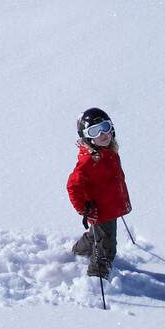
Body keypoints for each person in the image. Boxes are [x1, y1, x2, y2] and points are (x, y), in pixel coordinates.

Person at [66, 108, 132, 278]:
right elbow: (73, 186)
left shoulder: (109, 150)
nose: (103, 133)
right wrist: (85, 208)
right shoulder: (89, 161)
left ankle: (79, 251)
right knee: (106, 247)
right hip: (101, 210)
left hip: (111, 203)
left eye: (105, 127)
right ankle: (97, 275)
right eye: (95, 131)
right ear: (87, 136)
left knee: (97, 234)